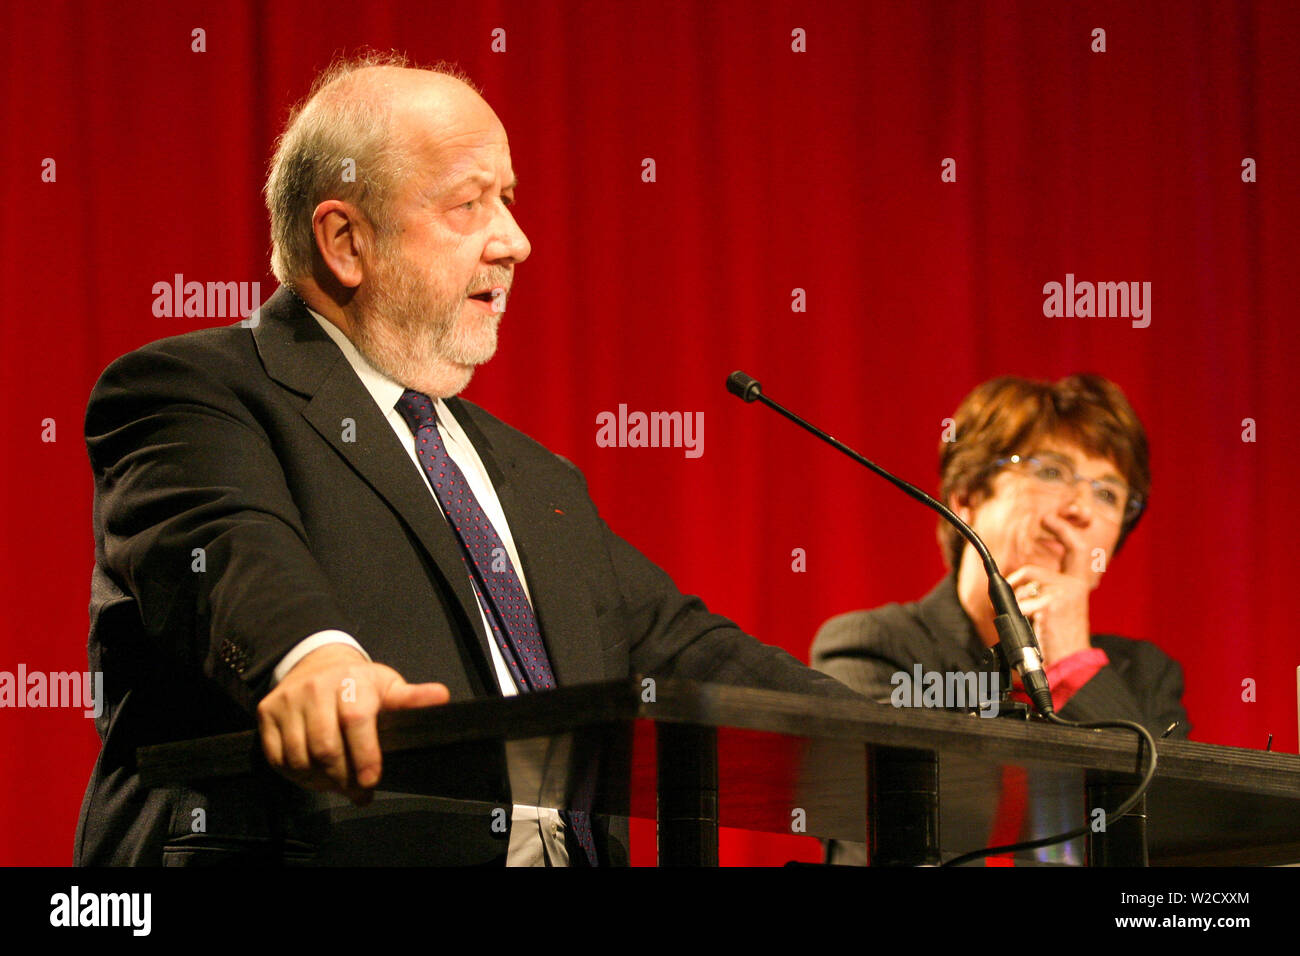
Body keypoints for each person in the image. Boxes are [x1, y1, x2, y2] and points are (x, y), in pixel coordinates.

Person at [74, 54, 859, 867]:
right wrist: (316, 659)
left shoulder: (533, 476)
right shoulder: (195, 392)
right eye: (468, 205)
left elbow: (683, 644)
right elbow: (228, 546)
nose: (516, 241)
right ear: (346, 241)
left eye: (508, 200)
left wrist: (890, 744)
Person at [811, 374, 1189, 863]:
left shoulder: (1146, 676)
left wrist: (1074, 666)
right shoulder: (874, 648)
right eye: (1052, 472)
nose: (1079, 510)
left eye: (1109, 495)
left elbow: (1172, 844)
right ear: (967, 495)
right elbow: (904, 826)